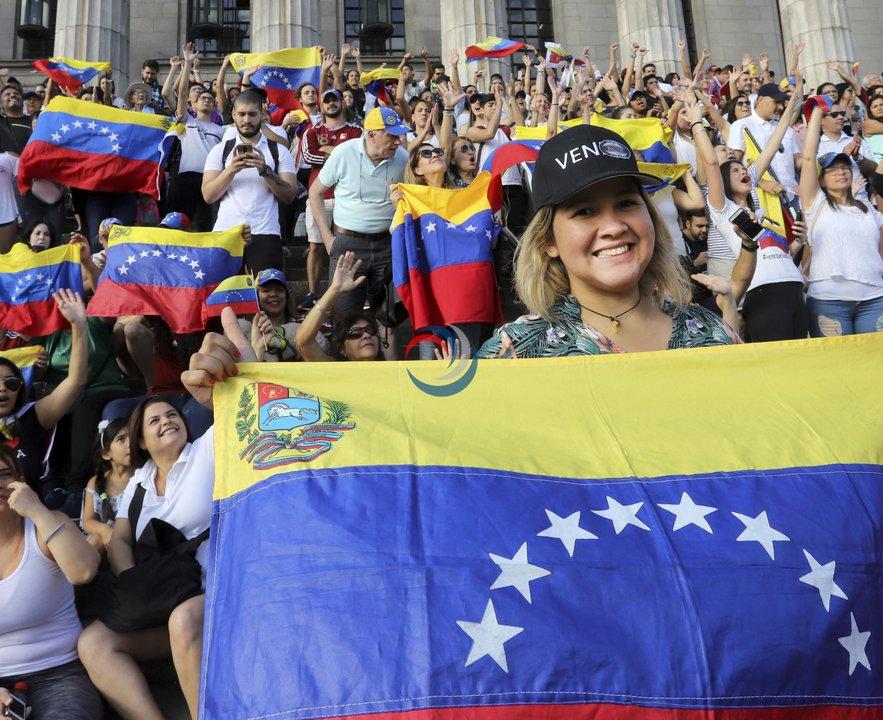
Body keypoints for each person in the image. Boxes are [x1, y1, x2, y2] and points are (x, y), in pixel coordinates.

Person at [477, 124, 740, 358]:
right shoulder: (513, 352)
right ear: (548, 241)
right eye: (585, 211)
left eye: (626, 204)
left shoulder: (713, 332)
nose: (614, 227)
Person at [77, 396, 213, 720]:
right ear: (141, 440)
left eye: (172, 414)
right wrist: (134, 583)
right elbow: (121, 539)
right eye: (154, 420)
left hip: (212, 587)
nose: (166, 421)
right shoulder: (140, 480)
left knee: (182, 620)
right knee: (93, 643)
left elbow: (239, 406)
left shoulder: (207, 451)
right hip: (163, 595)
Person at [692, 88, 807, 341]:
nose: (742, 171)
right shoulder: (723, 210)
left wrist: (789, 109)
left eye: (743, 168)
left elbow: (771, 146)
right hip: (763, 292)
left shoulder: (757, 208)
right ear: (722, 182)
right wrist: (695, 123)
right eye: (733, 171)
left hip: (794, 287)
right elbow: (712, 163)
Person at [0, 445, 103, 720]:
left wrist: (36, 510)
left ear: (20, 480)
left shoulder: (46, 526)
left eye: (3, 474)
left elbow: (83, 571)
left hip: (59, 676)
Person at [307, 106, 409, 347]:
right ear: (371, 134)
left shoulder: (402, 158)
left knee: (389, 317)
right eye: (392, 136)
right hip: (349, 243)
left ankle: (391, 373)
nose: (398, 141)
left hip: (387, 243)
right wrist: (327, 237)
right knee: (344, 315)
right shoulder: (344, 153)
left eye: (399, 135)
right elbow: (315, 192)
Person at [799, 102, 883, 337]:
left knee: (875, 364)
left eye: (845, 167)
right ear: (821, 179)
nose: (841, 172)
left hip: (875, 297)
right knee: (836, 366)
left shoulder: (867, 207)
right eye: (832, 170)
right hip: (829, 300)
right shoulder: (815, 204)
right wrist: (816, 111)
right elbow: (808, 158)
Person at [0, 290, 88, 493]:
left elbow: (75, 382)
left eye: (11, 383)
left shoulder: (33, 415)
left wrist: (78, 326)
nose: (2, 388)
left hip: (32, 518)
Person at [202, 90, 298, 273]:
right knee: (225, 297)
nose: (246, 120)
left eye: (252, 114)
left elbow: (289, 195)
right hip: (225, 233)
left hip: (266, 233)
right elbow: (208, 195)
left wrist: (266, 171)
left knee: (265, 298)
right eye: (242, 114)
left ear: (262, 115)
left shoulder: (279, 151)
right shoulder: (220, 150)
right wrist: (231, 169)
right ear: (233, 116)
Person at [301, 89, 363, 307]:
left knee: (348, 246)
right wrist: (339, 152)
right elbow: (308, 156)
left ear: (341, 102)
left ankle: (343, 293)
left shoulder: (356, 130)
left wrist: (327, 149)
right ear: (321, 105)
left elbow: (358, 155)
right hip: (319, 196)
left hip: (347, 197)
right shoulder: (312, 130)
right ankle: (312, 293)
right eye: (326, 101)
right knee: (316, 246)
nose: (330, 104)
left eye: (334, 99)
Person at [168, 46, 223, 230]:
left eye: (210, 99)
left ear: (215, 106)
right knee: (180, 222)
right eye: (202, 98)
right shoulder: (187, 120)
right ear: (194, 104)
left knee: (207, 225)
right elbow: (182, 93)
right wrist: (188, 62)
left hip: (210, 179)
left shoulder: (221, 130)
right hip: (186, 177)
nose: (206, 100)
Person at [295, 252, 384, 362]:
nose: (366, 335)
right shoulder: (333, 371)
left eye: (371, 330)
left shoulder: (396, 370)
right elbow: (303, 342)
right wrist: (335, 290)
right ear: (342, 349)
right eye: (355, 333)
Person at [727, 83, 802, 194]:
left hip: (792, 194)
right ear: (761, 99)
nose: (780, 107)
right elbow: (732, 165)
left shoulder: (786, 129)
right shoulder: (741, 125)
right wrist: (760, 182)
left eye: (782, 103)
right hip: (760, 196)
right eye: (776, 102)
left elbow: (797, 161)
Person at [81, 417, 132, 552]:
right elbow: (87, 522)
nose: (130, 444)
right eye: (121, 439)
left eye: (133, 437)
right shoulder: (95, 482)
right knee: (95, 540)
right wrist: (104, 530)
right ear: (106, 454)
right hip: (107, 542)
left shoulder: (143, 475)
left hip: (135, 538)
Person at [241, 268, 305, 362]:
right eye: (266, 290)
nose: (273, 294)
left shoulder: (303, 325)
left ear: (286, 295)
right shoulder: (244, 331)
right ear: (256, 296)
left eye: (279, 290)